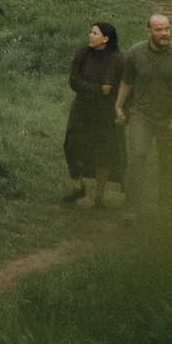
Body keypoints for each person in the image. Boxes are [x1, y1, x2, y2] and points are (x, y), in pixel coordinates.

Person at [115, 13, 172, 208]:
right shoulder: (136, 52)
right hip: (141, 115)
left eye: (167, 29)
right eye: (159, 30)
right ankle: (131, 206)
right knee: (138, 156)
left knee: (168, 163)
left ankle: (165, 207)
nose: (164, 33)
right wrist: (118, 106)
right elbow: (128, 82)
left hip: (169, 118)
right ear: (149, 32)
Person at [62, 22, 127, 209]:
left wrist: (121, 111)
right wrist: (97, 89)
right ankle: (79, 186)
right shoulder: (83, 54)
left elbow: (125, 87)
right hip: (82, 108)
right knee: (72, 143)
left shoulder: (118, 60)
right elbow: (74, 81)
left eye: (94, 33)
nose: (90, 35)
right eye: (90, 32)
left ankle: (99, 195)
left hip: (105, 113)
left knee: (103, 152)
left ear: (105, 39)